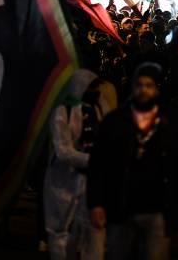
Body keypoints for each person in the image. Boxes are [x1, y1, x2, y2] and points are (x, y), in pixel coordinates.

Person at [88, 63, 178, 260]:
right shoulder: (115, 122)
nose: (143, 90)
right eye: (139, 85)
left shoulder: (170, 123)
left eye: (149, 85)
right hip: (121, 205)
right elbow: (99, 164)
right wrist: (95, 203)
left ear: (157, 89)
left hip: (159, 209)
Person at [44, 69, 108, 260]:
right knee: (59, 232)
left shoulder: (98, 109)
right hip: (63, 181)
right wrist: (94, 161)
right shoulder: (62, 112)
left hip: (90, 182)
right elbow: (63, 151)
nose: (96, 91)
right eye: (92, 87)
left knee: (93, 231)